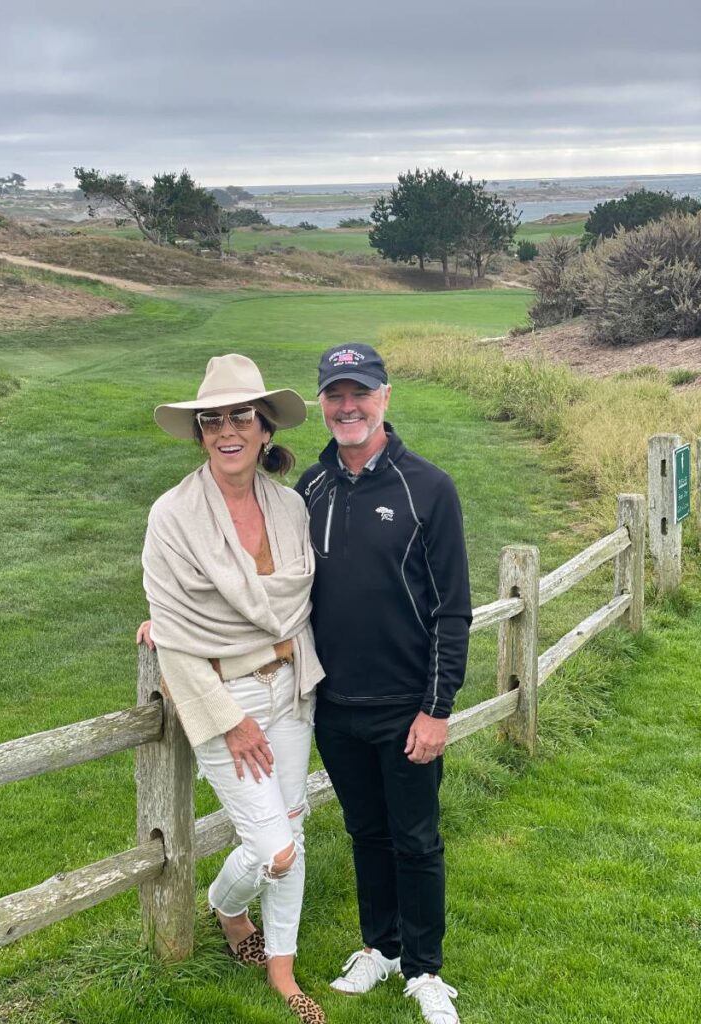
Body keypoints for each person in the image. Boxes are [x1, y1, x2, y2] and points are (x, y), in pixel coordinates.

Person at [138, 353, 326, 1024]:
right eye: (211, 419)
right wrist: (226, 719)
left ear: (265, 428)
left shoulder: (291, 507)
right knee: (270, 849)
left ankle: (282, 969)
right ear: (199, 433)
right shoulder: (173, 517)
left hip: (292, 688)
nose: (226, 430)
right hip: (229, 701)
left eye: (240, 416)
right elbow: (179, 638)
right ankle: (225, 904)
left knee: (294, 836)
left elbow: (301, 603)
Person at [294, 343, 472, 1024]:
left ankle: (426, 968)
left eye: (359, 393)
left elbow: (452, 609)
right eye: (335, 395)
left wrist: (436, 708)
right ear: (322, 404)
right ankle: (383, 946)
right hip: (334, 706)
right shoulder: (310, 489)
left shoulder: (427, 487)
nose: (347, 407)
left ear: (385, 397)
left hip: (406, 707)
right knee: (366, 833)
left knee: (416, 839)